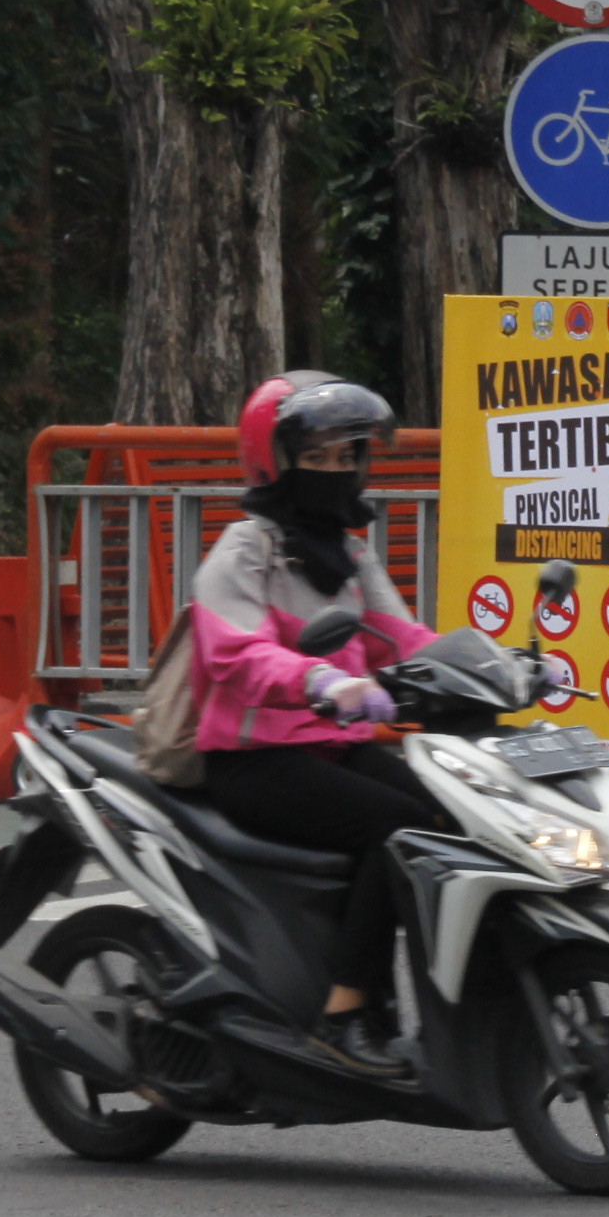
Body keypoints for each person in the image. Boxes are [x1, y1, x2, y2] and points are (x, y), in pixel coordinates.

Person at [188, 371, 444, 1084]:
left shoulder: (349, 553)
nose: (334, 471)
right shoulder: (246, 550)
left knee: (447, 816)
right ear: (275, 460)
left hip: (334, 750)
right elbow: (235, 653)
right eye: (317, 456)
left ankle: (424, 999)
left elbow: (405, 636)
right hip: (252, 759)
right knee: (395, 828)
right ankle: (344, 1013)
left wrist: (500, 666)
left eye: (346, 456)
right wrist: (321, 679)